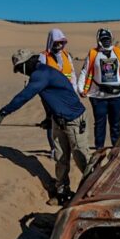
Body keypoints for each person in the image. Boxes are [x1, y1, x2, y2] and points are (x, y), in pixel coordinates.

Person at [0, 49, 89, 205]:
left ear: (27, 63)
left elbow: (24, 96)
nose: (21, 73)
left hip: (73, 121)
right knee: (60, 158)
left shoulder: (41, 74)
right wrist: (49, 118)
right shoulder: (41, 74)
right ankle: (63, 192)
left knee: (81, 156)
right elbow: (50, 97)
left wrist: (2, 113)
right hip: (58, 120)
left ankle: (92, 191)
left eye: (20, 69)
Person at [77, 28, 120, 149]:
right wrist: (80, 88)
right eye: (103, 39)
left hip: (117, 95)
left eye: (108, 39)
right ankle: (99, 149)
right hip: (98, 96)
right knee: (100, 124)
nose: (106, 41)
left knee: (116, 124)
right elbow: (85, 71)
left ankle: (117, 149)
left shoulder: (118, 52)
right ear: (99, 40)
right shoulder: (93, 53)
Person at [38, 28, 77, 160]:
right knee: (53, 122)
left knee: (68, 122)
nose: (59, 46)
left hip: (67, 96)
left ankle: (68, 149)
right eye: (56, 43)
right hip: (51, 97)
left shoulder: (67, 55)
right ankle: (54, 148)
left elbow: (72, 74)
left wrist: (74, 90)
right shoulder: (43, 57)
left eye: (61, 43)